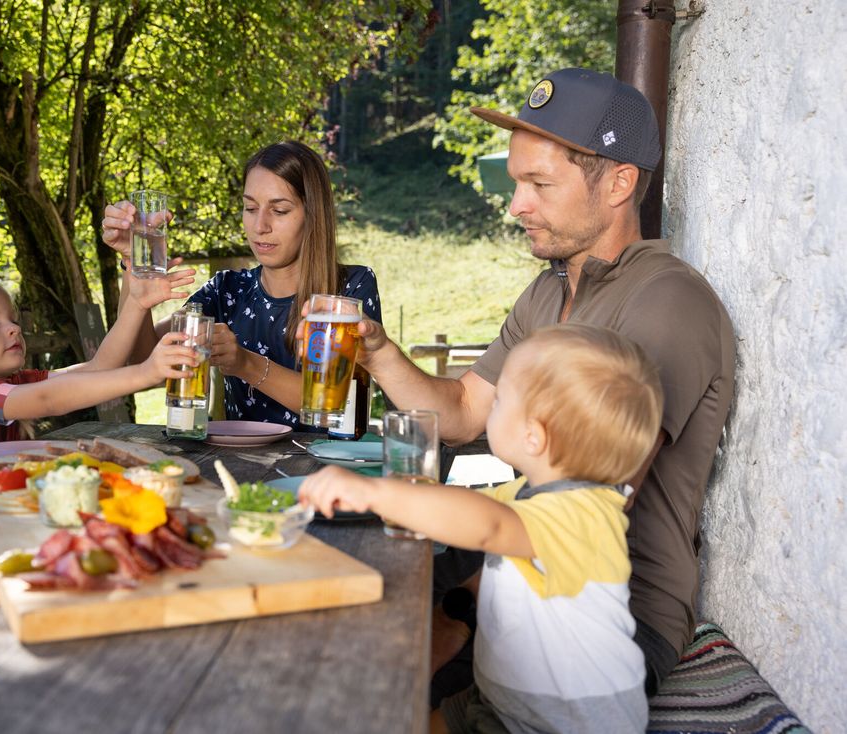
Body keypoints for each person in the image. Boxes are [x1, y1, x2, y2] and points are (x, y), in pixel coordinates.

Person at [349, 68, 736, 696]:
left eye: (539, 184)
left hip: (605, 615)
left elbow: (590, 498)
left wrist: (457, 612)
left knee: (371, 683)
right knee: (343, 583)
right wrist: (378, 354)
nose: (515, 205)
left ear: (619, 183)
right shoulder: (547, 292)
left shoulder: (668, 302)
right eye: (516, 181)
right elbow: (464, 412)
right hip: (513, 564)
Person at [302, 324, 664, 733]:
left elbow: (486, 525)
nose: (491, 407)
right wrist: (404, 501)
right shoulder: (533, 492)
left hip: (565, 720)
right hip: (504, 698)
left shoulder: (581, 515)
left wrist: (376, 493)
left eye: (501, 399)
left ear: (533, 436)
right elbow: (459, 509)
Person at [101, 140, 382, 427]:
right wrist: (134, 264)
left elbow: (341, 405)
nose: (260, 226)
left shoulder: (351, 287)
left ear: (313, 215)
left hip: (326, 457)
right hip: (236, 456)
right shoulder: (227, 290)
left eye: (279, 211)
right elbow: (143, 360)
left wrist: (246, 364)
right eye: (250, 208)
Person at [0, 271, 197, 462]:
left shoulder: (11, 384)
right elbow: (49, 398)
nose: (13, 329)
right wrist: (146, 372)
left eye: (12, 320)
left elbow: (100, 367)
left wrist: (136, 304)